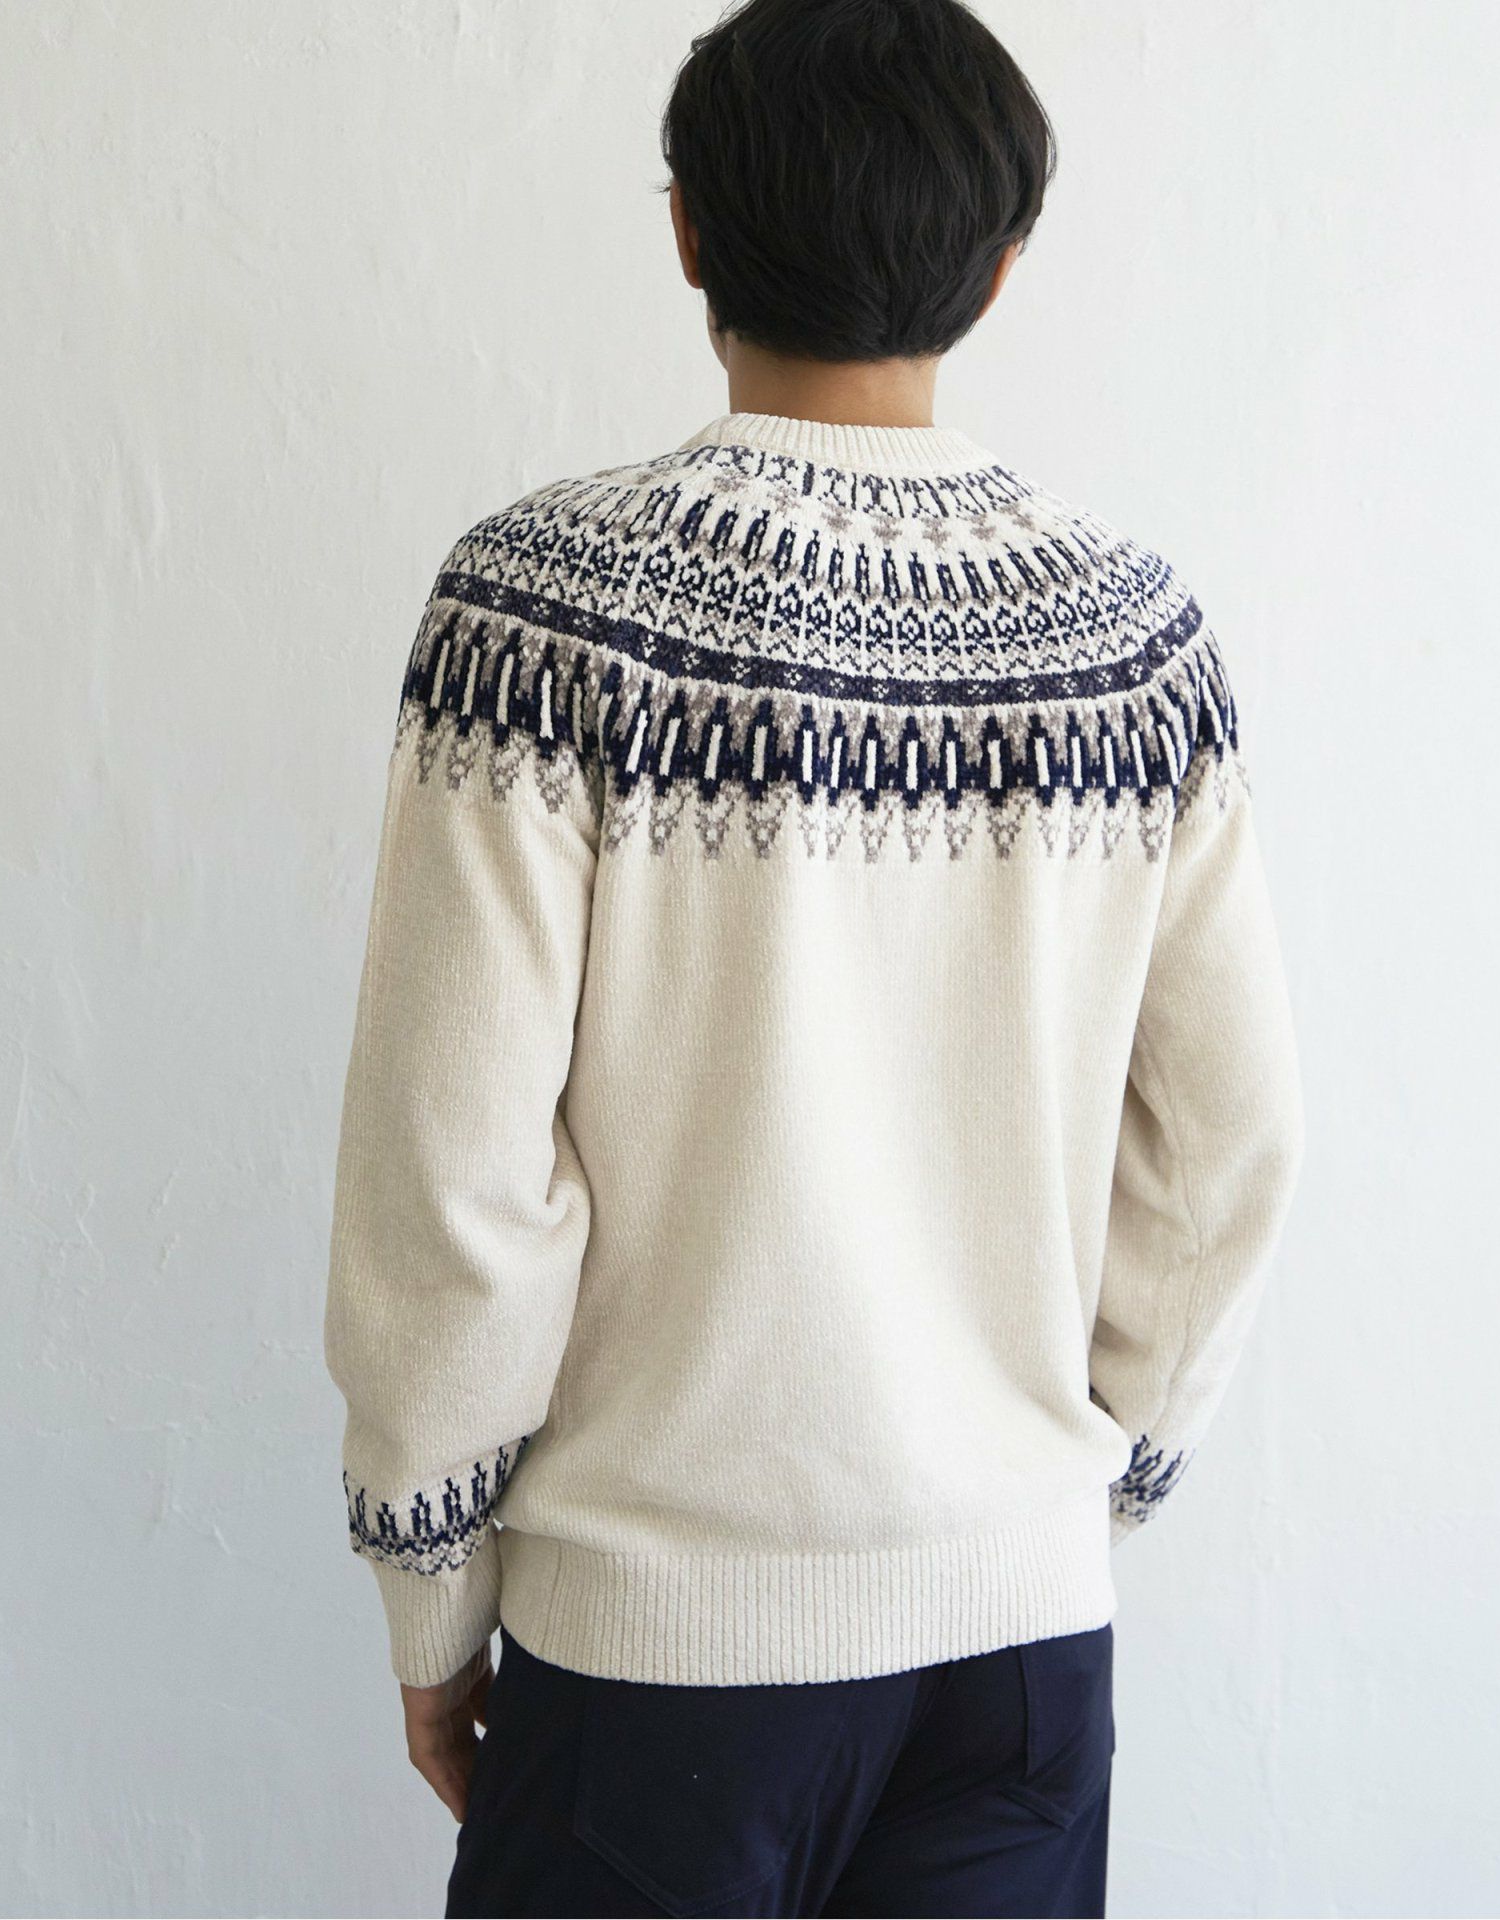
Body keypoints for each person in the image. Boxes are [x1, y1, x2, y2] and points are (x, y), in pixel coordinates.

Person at [323, 0, 1304, 1912]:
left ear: (688, 230)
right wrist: (1074, 1492)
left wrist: (432, 1597)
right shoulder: (1137, 645)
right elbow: (1227, 1150)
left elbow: (454, 1179)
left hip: (656, 1660)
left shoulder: (543, 616)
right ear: (1001, 264)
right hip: (1018, 1661)